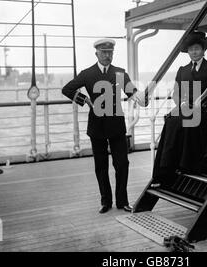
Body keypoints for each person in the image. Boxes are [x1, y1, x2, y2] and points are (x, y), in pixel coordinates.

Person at [62, 39, 145, 214]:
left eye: (110, 52)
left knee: (122, 164)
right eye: (104, 52)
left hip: (116, 125)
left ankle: (122, 201)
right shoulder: (87, 74)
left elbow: (132, 92)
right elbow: (67, 89)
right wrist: (85, 100)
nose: (107, 55)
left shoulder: (120, 73)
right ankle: (105, 201)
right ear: (97, 54)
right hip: (97, 126)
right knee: (101, 166)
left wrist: (141, 98)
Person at [152, 31, 207, 188]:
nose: (194, 52)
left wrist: (203, 105)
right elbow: (176, 94)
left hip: (204, 111)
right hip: (185, 109)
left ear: (203, 50)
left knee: (185, 121)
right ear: (188, 52)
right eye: (191, 49)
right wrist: (181, 104)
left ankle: (186, 165)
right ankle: (163, 171)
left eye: (197, 48)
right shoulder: (182, 70)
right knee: (170, 122)